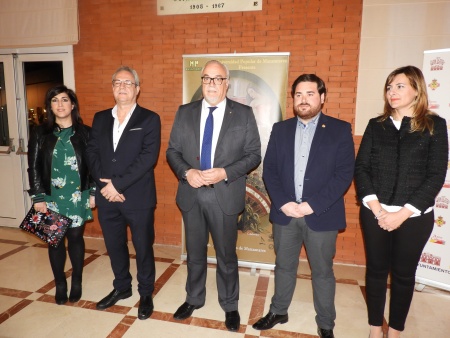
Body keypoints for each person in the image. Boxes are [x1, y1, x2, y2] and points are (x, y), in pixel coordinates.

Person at [253, 74, 355, 338]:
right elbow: (270, 171)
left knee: (322, 271)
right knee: (284, 266)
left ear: (322, 97)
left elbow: (344, 175)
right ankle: (279, 310)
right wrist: (283, 202)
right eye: (298, 95)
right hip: (285, 214)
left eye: (310, 94)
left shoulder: (340, 129)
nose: (303, 100)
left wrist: (312, 205)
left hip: (321, 215)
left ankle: (325, 323)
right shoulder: (281, 129)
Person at [166, 60, 261, 331]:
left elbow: (254, 154)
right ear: (202, 82)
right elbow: (172, 151)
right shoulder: (185, 113)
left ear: (226, 83)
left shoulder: (242, 114)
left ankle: (230, 305)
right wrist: (186, 172)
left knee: (226, 256)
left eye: (217, 79)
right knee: (194, 253)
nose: (211, 84)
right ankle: (194, 298)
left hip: (224, 194)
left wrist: (225, 172)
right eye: (206, 78)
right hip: (192, 195)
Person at [354, 65, 448, 338]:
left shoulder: (434, 125)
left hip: (415, 217)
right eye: (389, 87)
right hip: (375, 213)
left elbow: (435, 175)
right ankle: (374, 329)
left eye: (399, 86)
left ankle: (394, 331)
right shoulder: (376, 125)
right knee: (375, 271)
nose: (391, 92)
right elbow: (362, 169)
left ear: (417, 90)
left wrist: (402, 214)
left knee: (404, 277)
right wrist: (378, 209)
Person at [86, 66, 161, 320]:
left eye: (128, 83)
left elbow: (147, 158)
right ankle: (122, 287)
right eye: (117, 82)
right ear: (112, 88)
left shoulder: (149, 119)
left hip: (137, 197)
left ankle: (146, 292)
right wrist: (106, 187)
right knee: (114, 245)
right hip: (107, 198)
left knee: (142, 246)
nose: (122, 86)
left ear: (137, 89)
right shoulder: (100, 118)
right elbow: (92, 154)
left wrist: (117, 185)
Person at [27, 85, 95, 305]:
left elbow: (94, 165)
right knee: (54, 242)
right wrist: (38, 196)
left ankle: (77, 280)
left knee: (75, 238)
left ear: (73, 104)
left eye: (64, 100)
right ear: (50, 107)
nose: (60, 104)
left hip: (77, 196)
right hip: (51, 197)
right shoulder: (39, 133)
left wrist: (93, 191)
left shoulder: (86, 132)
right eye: (55, 100)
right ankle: (60, 283)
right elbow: (34, 167)